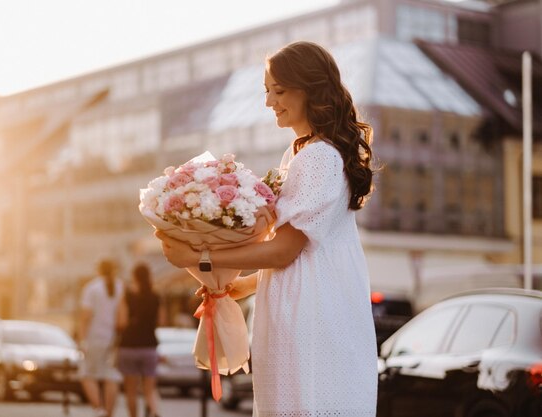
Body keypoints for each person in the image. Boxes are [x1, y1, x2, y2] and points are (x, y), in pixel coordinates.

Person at [156, 41, 378, 417]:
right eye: (266, 91)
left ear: (310, 90)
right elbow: (307, 253)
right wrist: (246, 283)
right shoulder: (301, 152)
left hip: (310, 316)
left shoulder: (319, 157)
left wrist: (200, 257)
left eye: (278, 91)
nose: (269, 102)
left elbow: (285, 250)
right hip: (303, 307)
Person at [78, 259, 124, 417]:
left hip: (94, 337)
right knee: (110, 375)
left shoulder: (91, 288)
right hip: (113, 339)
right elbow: (121, 316)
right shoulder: (120, 286)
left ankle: (99, 409)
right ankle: (109, 412)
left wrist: (82, 339)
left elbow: (86, 316)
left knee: (86, 374)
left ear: (98, 270)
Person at [116, 262, 162, 417]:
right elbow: (162, 321)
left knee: (131, 392)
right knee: (149, 390)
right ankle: (154, 411)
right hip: (149, 346)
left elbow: (121, 322)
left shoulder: (127, 296)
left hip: (128, 347)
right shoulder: (156, 296)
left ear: (134, 277)